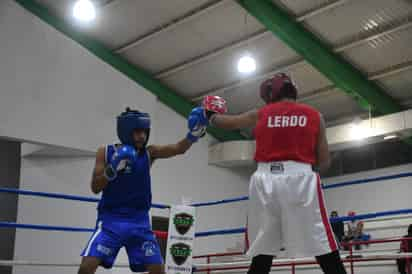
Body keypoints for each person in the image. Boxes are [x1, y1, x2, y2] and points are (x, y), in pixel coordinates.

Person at [190, 73, 347, 274]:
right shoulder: (316, 115)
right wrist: (304, 171)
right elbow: (325, 161)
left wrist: (207, 114)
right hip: (301, 180)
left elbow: (228, 122)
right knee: (323, 245)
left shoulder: (261, 113)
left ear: (271, 94)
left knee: (262, 251)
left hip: (264, 181)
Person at [77, 107, 208, 274]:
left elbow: (178, 148)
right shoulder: (106, 152)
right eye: (138, 132)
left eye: (145, 132)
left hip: (139, 222)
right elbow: (95, 187)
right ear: (125, 131)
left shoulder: (149, 153)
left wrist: (194, 134)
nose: (142, 136)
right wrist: (112, 170)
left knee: (157, 269)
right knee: (87, 266)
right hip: (111, 220)